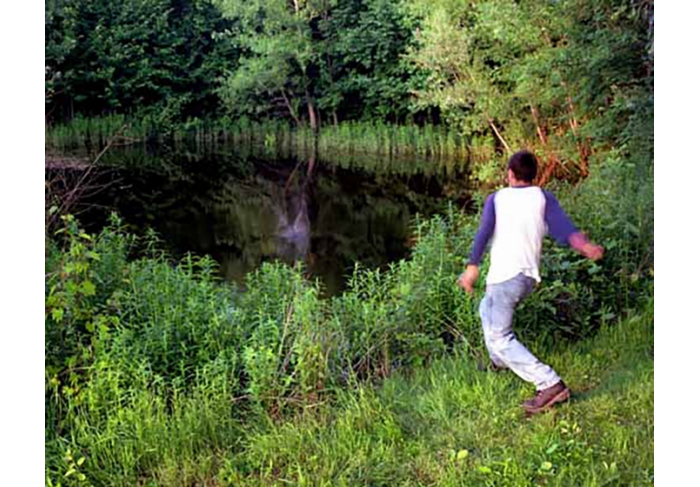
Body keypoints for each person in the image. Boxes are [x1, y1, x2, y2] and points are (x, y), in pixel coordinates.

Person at [458, 150, 604, 415]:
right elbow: (565, 229)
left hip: (505, 278)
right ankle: (500, 360)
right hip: (526, 277)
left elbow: (483, 233)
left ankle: (550, 384)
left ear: (510, 174)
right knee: (485, 310)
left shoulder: (498, 198)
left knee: (500, 336)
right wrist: (586, 247)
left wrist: (471, 268)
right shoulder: (543, 197)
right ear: (533, 175)